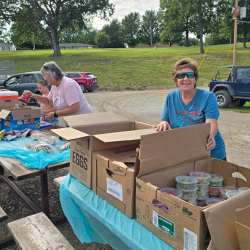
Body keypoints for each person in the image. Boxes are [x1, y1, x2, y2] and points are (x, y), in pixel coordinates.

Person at [155, 58, 226, 160]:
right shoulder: (171, 97)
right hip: (185, 153)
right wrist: (163, 123)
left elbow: (212, 124)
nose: (185, 79)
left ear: (195, 78)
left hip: (210, 152)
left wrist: (210, 136)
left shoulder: (208, 97)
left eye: (190, 75)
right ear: (176, 80)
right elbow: (164, 120)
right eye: (180, 75)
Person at [25, 61, 93, 123]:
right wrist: (32, 95)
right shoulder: (54, 86)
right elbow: (48, 101)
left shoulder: (68, 85)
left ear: (52, 75)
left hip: (83, 121)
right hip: (72, 121)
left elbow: (74, 108)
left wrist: (55, 114)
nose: (44, 79)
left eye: (45, 76)